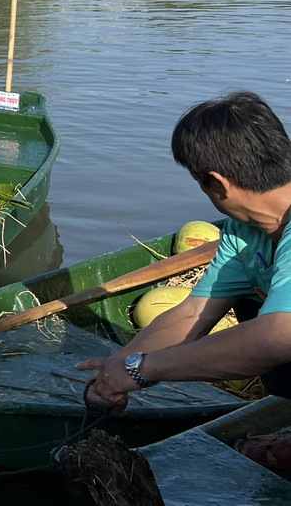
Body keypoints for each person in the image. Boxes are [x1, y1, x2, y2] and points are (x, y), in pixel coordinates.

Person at [80, 91, 291, 421]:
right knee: (251, 302)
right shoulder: (243, 230)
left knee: (271, 331)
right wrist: (119, 366)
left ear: (218, 184)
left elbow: (278, 337)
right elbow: (194, 314)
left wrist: (145, 369)